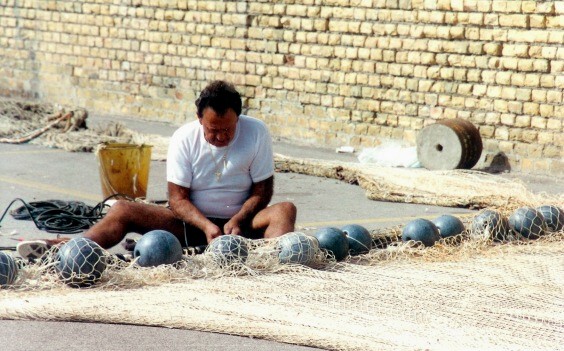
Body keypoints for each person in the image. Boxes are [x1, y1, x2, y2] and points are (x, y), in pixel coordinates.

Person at [18, 80, 296, 257]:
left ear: (239, 117)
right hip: (192, 225)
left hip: (242, 226)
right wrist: (207, 226)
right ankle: (69, 249)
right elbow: (177, 200)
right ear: (199, 119)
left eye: (228, 129)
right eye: (213, 130)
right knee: (123, 209)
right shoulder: (183, 138)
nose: (221, 137)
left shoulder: (257, 131)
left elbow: (263, 191)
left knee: (285, 210)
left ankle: (269, 261)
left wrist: (237, 219)